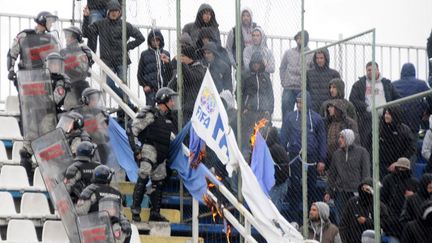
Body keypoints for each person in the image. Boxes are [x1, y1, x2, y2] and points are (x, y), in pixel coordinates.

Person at [82, 0, 144, 109]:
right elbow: (86, 33)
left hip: (121, 61)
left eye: (116, 11)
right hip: (107, 62)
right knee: (109, 85)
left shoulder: (125, 25)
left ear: (120, 12)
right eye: (112, 11)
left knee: (123, 87)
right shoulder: (101, 24)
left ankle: (125, 110)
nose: (114, 13)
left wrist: (128, 47)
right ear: (108, 12)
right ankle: (129, 105)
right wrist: (86, 17)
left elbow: (141, 38)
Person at [129, 88, 178, 222]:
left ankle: (155, 213)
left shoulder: (169, 118)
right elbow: (132, 129)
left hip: (162, 154)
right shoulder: (151, 113)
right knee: (143, 176)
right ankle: (135, 211)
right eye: (171, 100)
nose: (173, 103)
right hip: (149, 149)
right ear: (164, 100)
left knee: (159, 182)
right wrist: (136, 150)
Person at [280, 91, 327, 223]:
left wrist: (322, 159)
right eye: (297, 102)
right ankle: (294, 221)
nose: (299, 104)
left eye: (301, 102)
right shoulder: (290, 117)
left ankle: (309, 221)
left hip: (311, 158)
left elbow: (322, 140)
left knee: (311, 188)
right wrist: (283, 159)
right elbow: (283, 139)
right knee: (294, 187)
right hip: (295, 157)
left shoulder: (317, 119)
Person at [349, 61, 400, 153]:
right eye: (368, 70)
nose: (370, 72)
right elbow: (353, 99)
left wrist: (390, 109)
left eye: (373, 69)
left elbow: (397, 98)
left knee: (384, 145)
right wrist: (366, 107)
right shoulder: (359, 84)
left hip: (385, 119)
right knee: (367, 145)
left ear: (378, 70)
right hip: (368, 120)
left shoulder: (386, 83)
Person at [324, 129, 370, 225]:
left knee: (355, 219)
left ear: (349, 138)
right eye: (339, 137)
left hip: (356, 192)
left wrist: (364, 189)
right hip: (341, 192)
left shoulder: (362, 152)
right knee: (341, 219)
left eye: (342, 137)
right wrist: (329, 191)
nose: (339, 140)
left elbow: (366, 173)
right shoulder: (337, 154)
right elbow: (332, 175)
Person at [76, 165, 131, 242]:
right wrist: (125, 222)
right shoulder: (116, 193)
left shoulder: (89, 190)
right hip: (110, 232)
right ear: (109, 178)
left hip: (92, 230)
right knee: (127, 230)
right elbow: (120, 213)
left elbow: (80, 211)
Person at [7, 11, 60, 86]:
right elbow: (12, 53)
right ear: (43, 21)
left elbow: (58, 56)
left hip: (45, 79)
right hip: (25, 78)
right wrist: (11, 70)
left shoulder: (51, 39)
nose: (51, 24)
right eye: (50, 22)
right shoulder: (24, 36)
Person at [339, 178, 389, 243]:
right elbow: (343, 224)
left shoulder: (380, 206)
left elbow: (384, 224)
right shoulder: (352, 202)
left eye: (368, 190)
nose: (364, 191)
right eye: (363, 189)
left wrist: (366, 221)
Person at [381, 157, 418, 242]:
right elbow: (383, 198)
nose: (401, 170)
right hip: (391, 217)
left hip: (407, 217)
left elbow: (420, 200)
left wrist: (413, 196)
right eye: (399, 168)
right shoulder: (388, 179)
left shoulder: (414, 183)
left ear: (408, 169)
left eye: (404, 168)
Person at [242, 51, 274, 148]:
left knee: (263, 139)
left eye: (258, 63)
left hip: (263, 113)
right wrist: (244, 107)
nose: (256, 65)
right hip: (250, 113)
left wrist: (269, 110)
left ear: (261, 64)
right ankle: (249, 159)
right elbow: (239, 93)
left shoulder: (266, 77)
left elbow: (270, 95)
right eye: (254, 63)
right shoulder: (246, 76)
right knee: (250, 140)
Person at [280, 30, 314, 119]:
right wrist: (283, 81)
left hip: (303, 88)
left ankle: (301, 131)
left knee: (303, 114)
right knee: (286, 110)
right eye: (297, 38)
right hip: (289, 87)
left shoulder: (311, 54)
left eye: (301, 38)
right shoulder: (288, 52)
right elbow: (282, 67)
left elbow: (313, 71)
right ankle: (286, 130)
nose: (299, 40)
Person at [168, 45, 206, 124]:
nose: (180, 58)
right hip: (180, 107)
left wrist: (181, 64)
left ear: (189, 57)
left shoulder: (199, 68)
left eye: (182, 56)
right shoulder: (183, 68)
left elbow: (190, 77)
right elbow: (171, 85)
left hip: (191, 108)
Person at [61, 26, 93, 111]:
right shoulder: (62, 52)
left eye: (70, 36)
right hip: (68, 85)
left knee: (89, 106)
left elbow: (83, 69)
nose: (67, 38)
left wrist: (70, 65)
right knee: (70, 110)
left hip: (80, 84)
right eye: (66, 35)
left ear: (76, 38)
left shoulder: (82, 51)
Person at [137, 29, 172, 107]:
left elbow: (170, 73)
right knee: (150, 110)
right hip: (151, 89)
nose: (155, 42)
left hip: (164, 88)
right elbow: (140, 73)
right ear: (150, 41)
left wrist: (167, 63)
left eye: (157, 40)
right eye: (153, 40)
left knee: (165, 110)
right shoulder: (144, 54)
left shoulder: (166, 54)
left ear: (161, 41)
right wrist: (144, 85)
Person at [392, 63, 430, 133]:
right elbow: (430, 97)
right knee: (413, 140)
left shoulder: (393, 84)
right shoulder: (421, 84)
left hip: (398, 120)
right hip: (414, 120)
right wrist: (428, 112)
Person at [379, 107, 416, 178]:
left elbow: (412, 148)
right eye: (385, 113)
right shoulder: (379, 128)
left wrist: (399, 162)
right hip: (381, 166)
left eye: (389, 114)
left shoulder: (405, 130)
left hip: (399, 166)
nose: (386, 116)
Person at [323, 100, 359, 166]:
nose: (328, 109)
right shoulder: (329, 123)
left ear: (338, 108)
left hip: (345, 158)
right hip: (330, 159)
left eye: (331, 106)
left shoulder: (349, 123)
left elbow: (355, 140)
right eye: (328, 107)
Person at [306, 48, 341, 112]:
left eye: (321, 58)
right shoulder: (309, 74)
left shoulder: (334, 74)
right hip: (313, 108)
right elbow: (306, 91)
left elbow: (338, 93)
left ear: (326, 58)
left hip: (328, 108)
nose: (319, 60)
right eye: (317, 58)